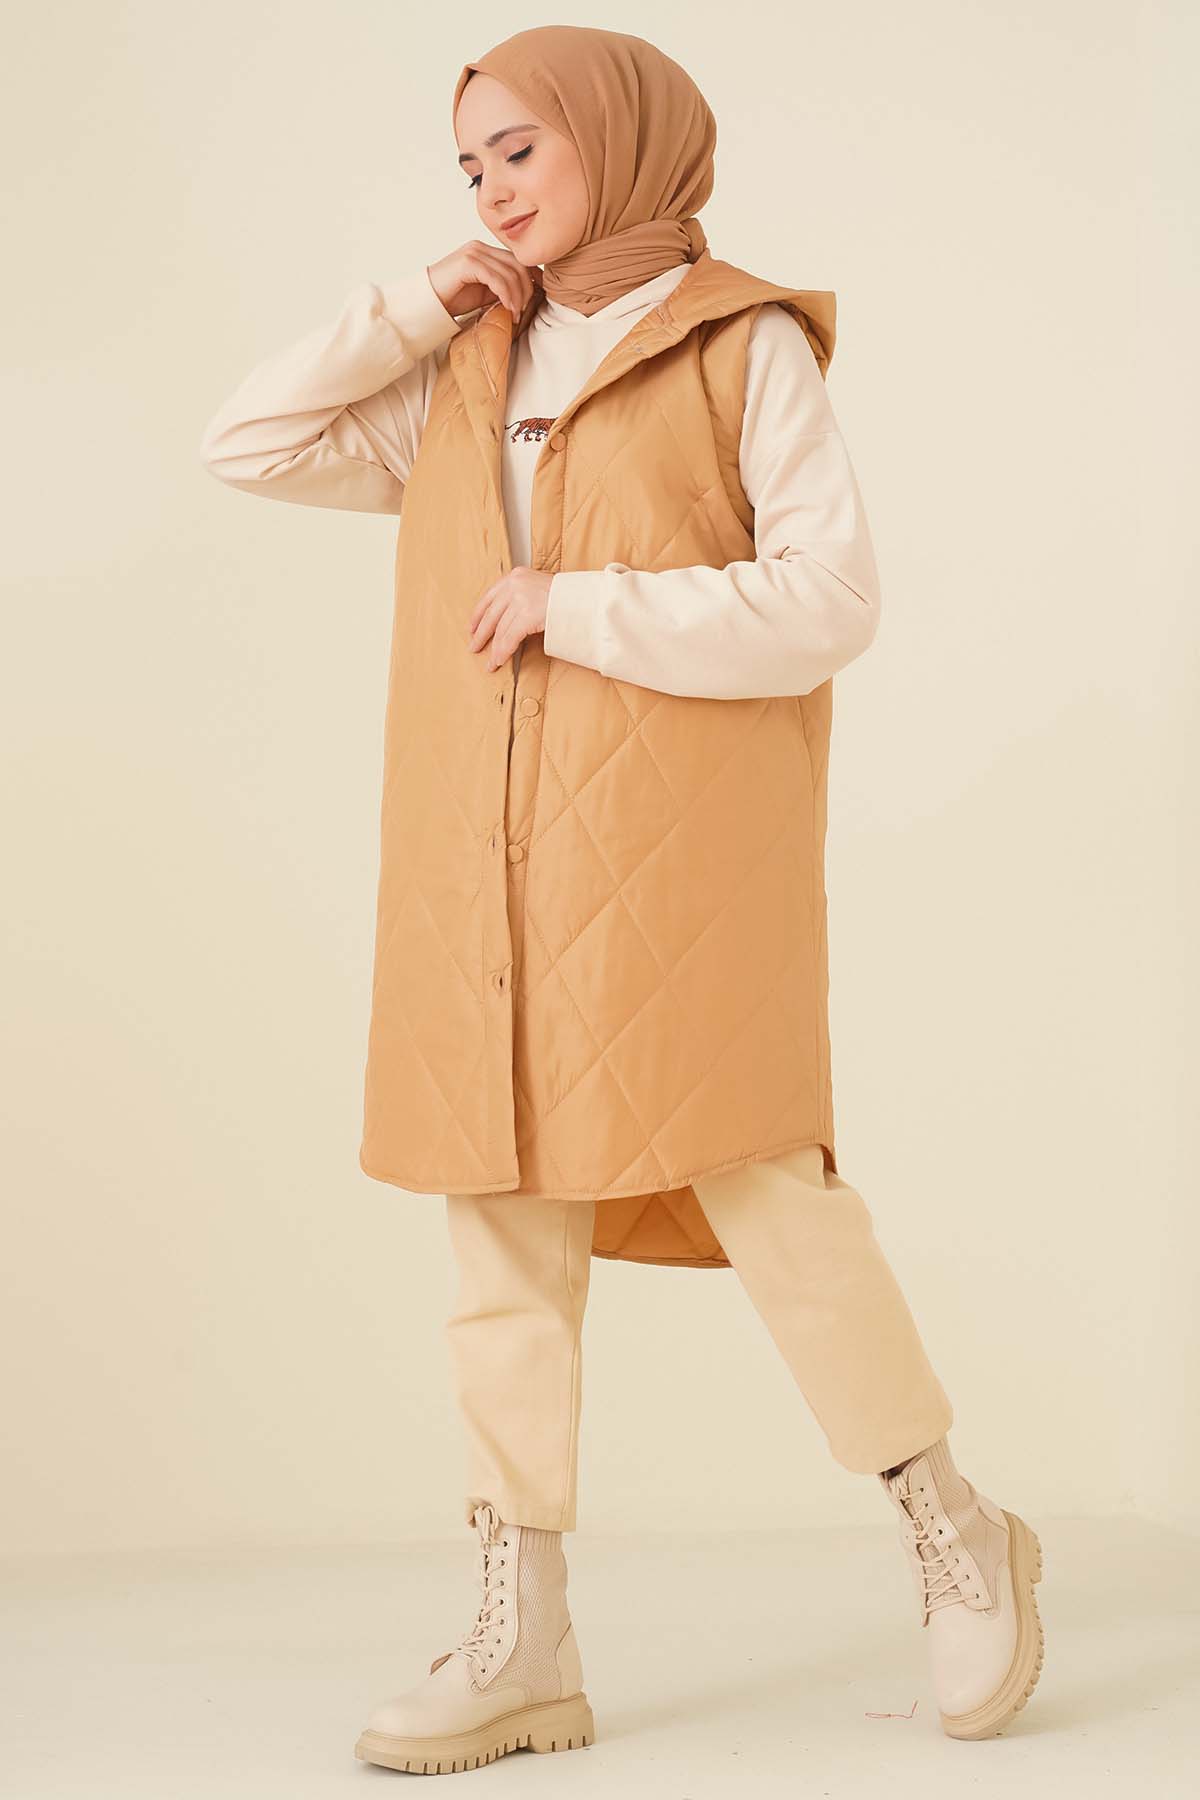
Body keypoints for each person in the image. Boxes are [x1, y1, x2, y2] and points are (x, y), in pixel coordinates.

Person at [200, 22, 1044, 1777]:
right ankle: (525, 1636)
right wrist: (414, 303)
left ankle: (956, 1525)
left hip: (678, 871)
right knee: (496, 1226)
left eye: (521, 148)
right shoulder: (466, 362)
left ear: (622, 137)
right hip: (481, 866)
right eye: (469, 163)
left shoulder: (742, 345)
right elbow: (250, 442)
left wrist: (575, 605)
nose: (493, 187)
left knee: (772, 1195)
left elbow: (829, 600)